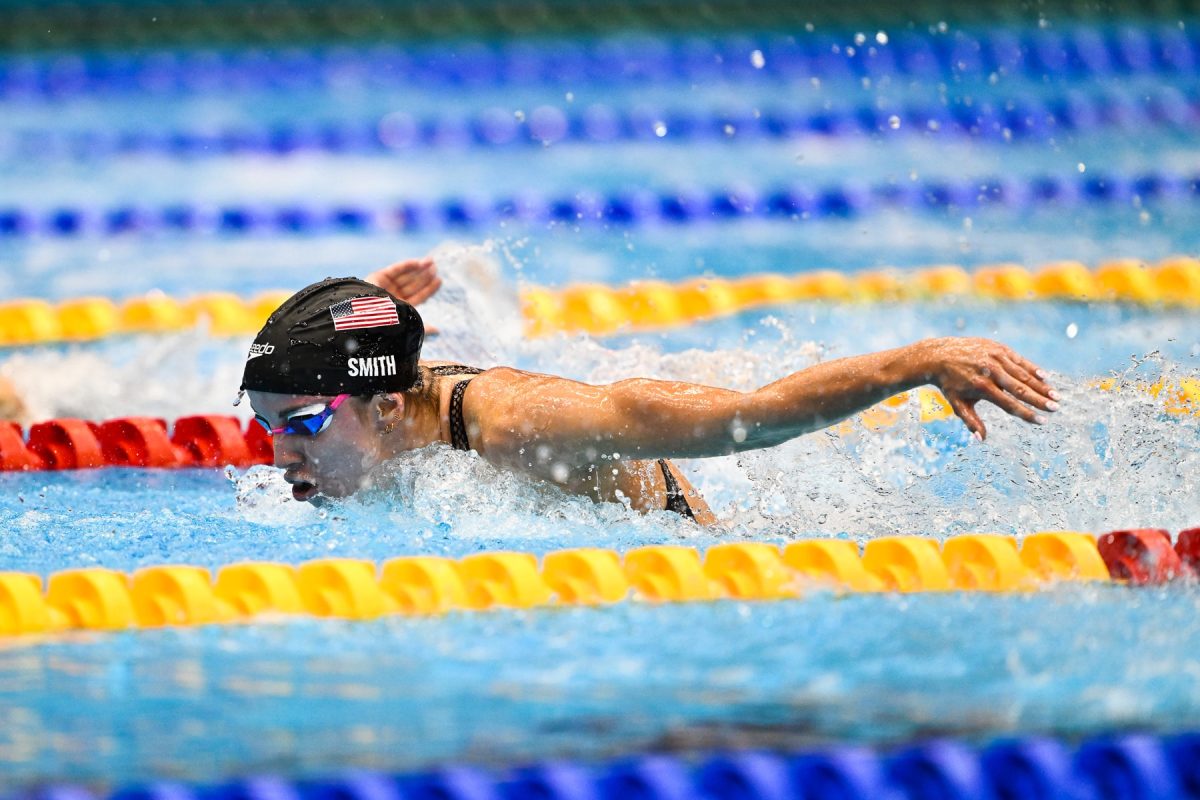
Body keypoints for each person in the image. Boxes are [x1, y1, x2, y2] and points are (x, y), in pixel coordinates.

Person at [239, 275, 1059, 523]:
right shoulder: (379, 409)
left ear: (383, 407)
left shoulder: (523, 424)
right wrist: (371, 302)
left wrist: (915, 361)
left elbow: (753, 417)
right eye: (268, 425)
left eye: (303, 423)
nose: (280, 454)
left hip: (693, 560)